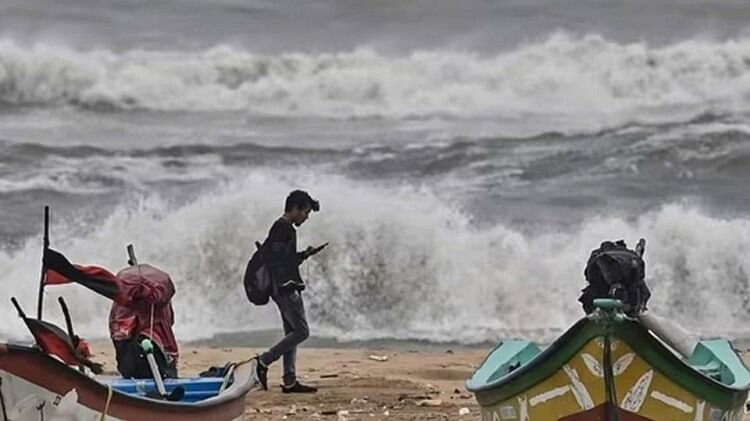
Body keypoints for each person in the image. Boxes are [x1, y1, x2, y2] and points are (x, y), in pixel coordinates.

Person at [254, 190, 326, 393]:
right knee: (302, 332)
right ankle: (263, 361)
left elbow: (282, 259)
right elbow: (278, 262)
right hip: (285, 287)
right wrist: (288, 282)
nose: (306, 217)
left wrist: (304, 254)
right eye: (306, 212)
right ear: (295, 208)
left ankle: (289, 380)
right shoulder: (282, 228)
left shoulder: (283, 228)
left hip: (283, 286)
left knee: (291, 332)